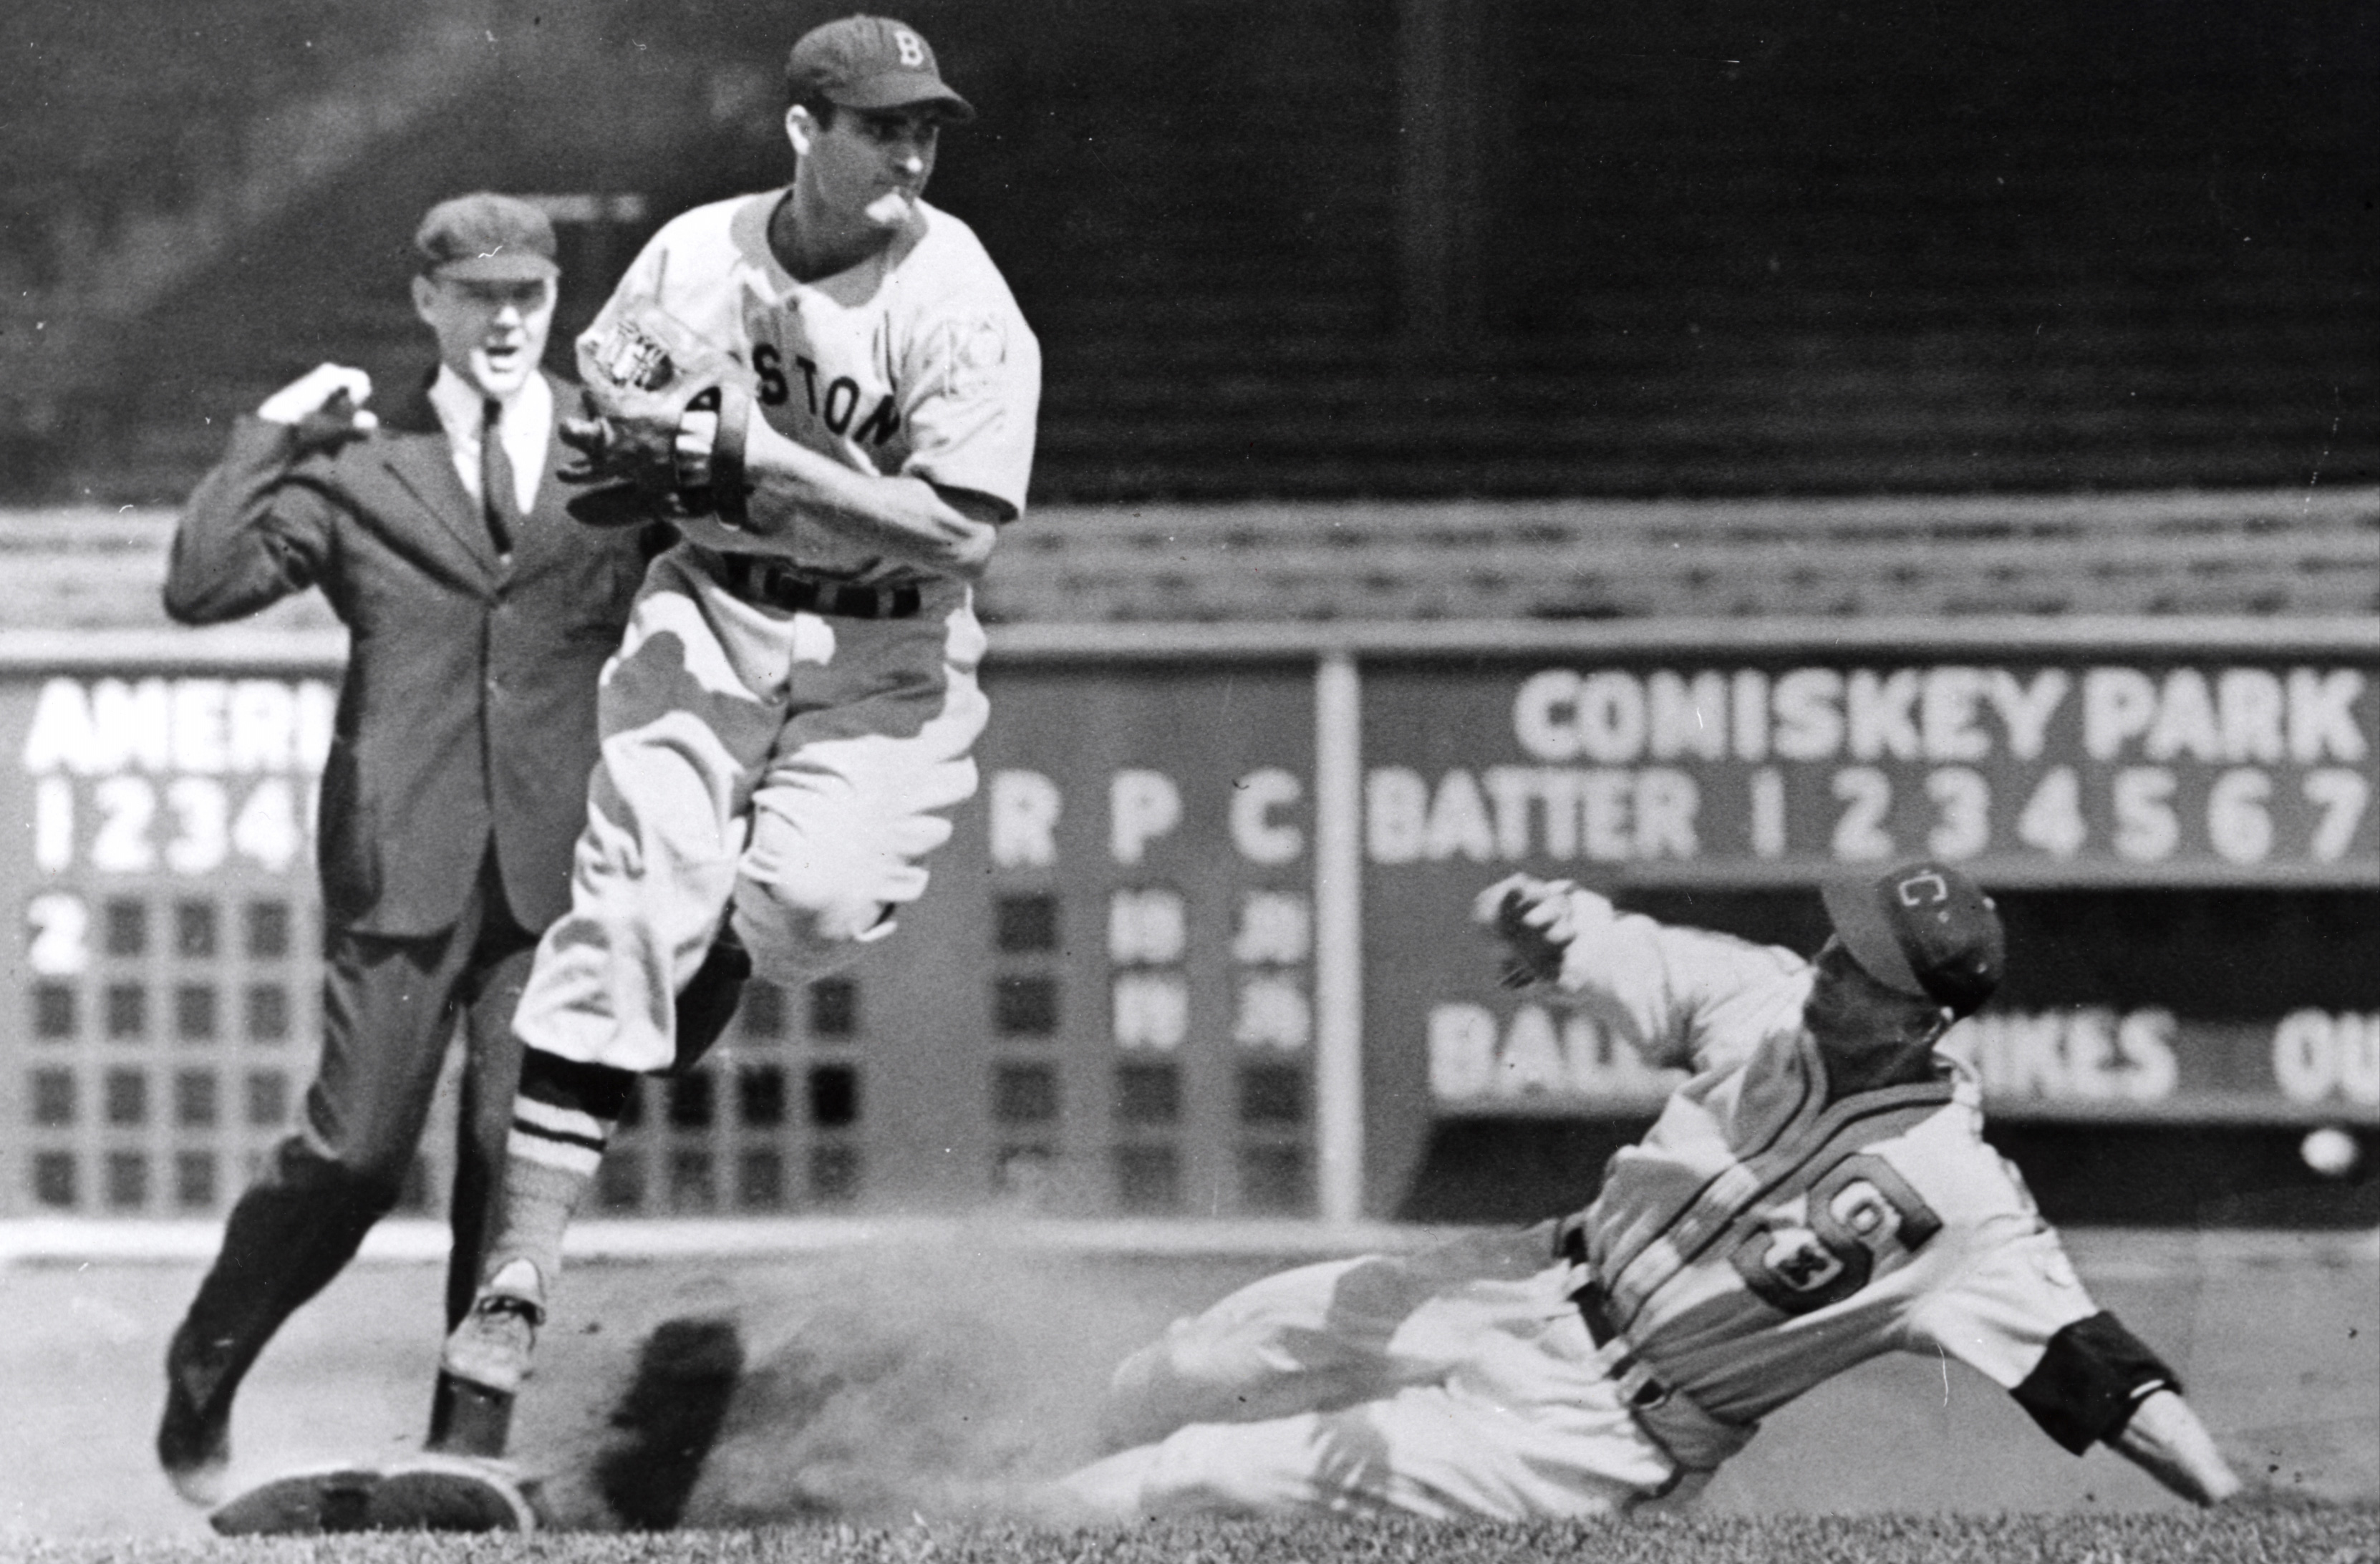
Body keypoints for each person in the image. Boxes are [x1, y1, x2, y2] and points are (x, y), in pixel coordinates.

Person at [430, 12, 1041, 1462]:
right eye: (880, 124)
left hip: (889, 642)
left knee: (808, 907)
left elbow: (962, 528)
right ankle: (512, 1289)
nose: (909, 150)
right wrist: (639, 443)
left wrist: (754, 453)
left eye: (925, 127)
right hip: (709, 605)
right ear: (801, 133)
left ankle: (689, 969)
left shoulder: (957, 296)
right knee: (628, 900)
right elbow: (613, 413)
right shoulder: (696, 255)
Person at [1045, 863, 2246, 1521]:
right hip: (1527, 1276)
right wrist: (1553, 923)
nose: (1834, 972)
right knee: (1213, 1348)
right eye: (1842, 944)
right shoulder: (1766, 1000)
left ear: (1925, 1019)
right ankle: (1014, 1473)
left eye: (1868, 973)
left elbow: (2103, 1371)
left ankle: (1002, 1532)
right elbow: (1622, 951)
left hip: (1595, 1431)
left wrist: (2235, 1509)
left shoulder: (1966, 1205)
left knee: (1203, 1474)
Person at [152, 193, 720, 1507]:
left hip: (558, 867)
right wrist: (275, 432)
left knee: (506, 1156)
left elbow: (730, 571)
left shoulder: (613, 447)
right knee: (354, 1154)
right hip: (401, 861)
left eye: (528, 296)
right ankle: (204, 1363)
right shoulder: (361, 466)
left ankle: (469, 1449)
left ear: (555, 304)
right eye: (478, 297)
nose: (507, 320)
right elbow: (201, 584)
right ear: (427, 305)